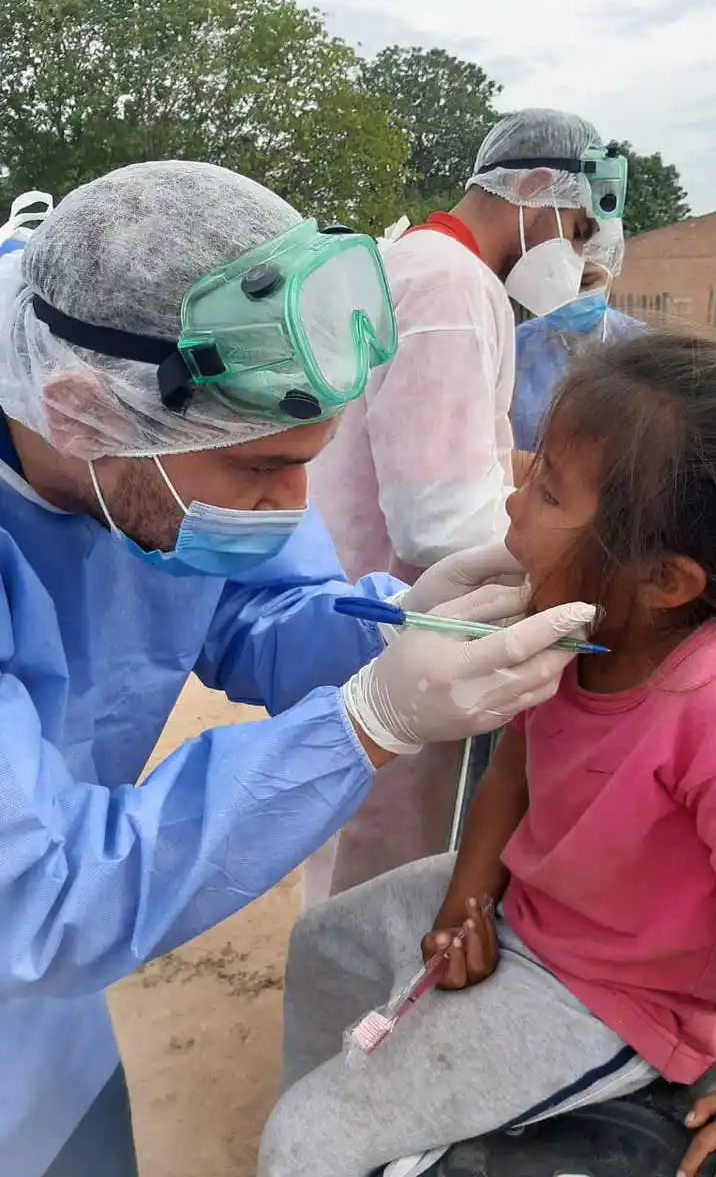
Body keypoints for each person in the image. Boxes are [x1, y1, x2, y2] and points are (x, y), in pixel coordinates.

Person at [0, 161, 595, 1177]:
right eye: (260, 471)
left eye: (306, 461)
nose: (291, 506)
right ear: (83, 414)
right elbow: (37, 893)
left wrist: (391, 624)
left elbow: (255, 606)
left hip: (49, 1036)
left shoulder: (155, 448)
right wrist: (365, 721)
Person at [259, 327, 716, 1177]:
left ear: (665, 579)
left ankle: (354, 1135)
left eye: (548, 493)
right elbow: (515, 769)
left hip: (613, 998)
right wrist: (467, 901)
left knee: (306, 1147)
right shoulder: (581, 624)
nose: (516, 505)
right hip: (528, 911)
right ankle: (345, 1083)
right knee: (327, 940)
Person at [306, 108, 625, 899]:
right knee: (380, 869)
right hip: (399, 619)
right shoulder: (449, 287)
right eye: (577, 228)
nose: (577, 252)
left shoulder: (427, 268)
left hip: (374, 600)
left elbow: (456, 455)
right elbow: (438, 518)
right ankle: (362, 1016)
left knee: (358, 846)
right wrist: (584, 561)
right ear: (537, 190)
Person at [511, 248, 645, 452]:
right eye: (557, 283)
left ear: (610, 269)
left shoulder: (643, 346)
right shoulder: (518, 345)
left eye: (585, 282)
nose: (571, 294)